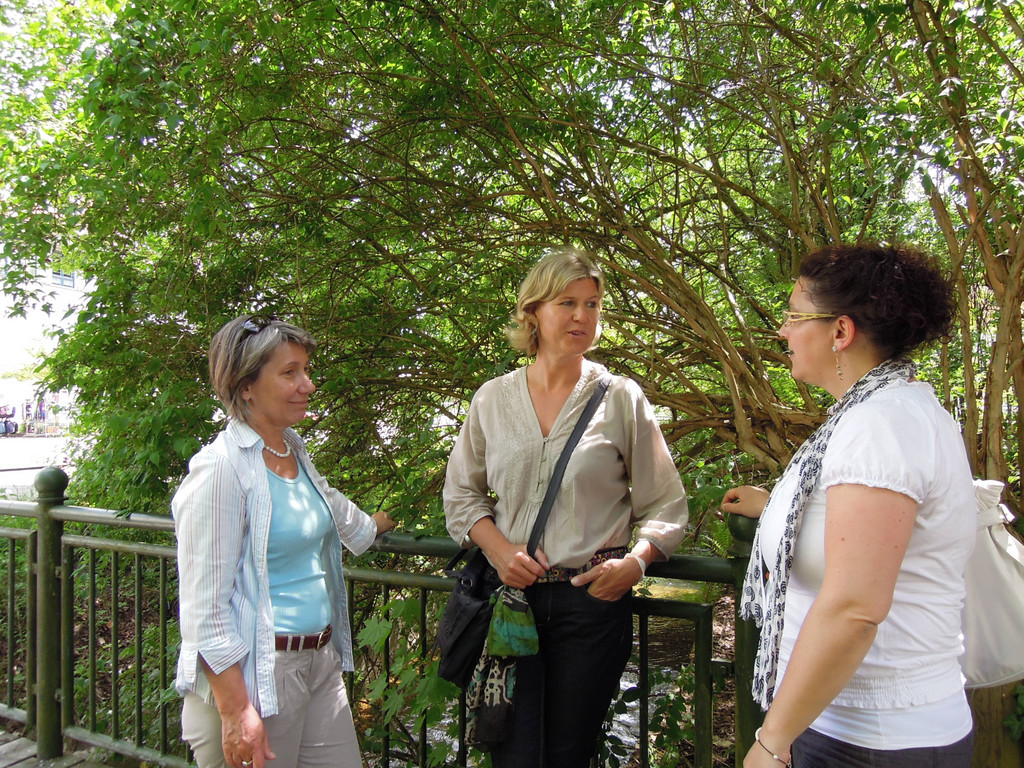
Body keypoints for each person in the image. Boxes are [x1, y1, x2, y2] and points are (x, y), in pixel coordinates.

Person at [722, 244, 975, 767]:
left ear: (840, 332)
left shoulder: (880, 424)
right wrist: (775, 507)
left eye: (794, 317)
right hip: (856, 730)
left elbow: (854, 608)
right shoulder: (888, 409)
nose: (783, 332)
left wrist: (771, 740)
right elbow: (858, 527)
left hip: (872, 739)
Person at [444, 248, 690, 768]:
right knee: (510, 748)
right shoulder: (491, 399)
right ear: (533, 311)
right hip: (512, 600)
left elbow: (665, 502)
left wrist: (637, 563)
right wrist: (499, 550)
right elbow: (461, 495)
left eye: (593, 304)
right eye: (567, 303)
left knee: (567, 753)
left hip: (591, 604)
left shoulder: (620, 397)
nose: (583, 316)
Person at [172, 315, 395, 768]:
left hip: (319, 664)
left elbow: (335, 511)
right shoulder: (221, 470)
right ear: (246, 386)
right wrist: (236, 711)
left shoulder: (292, 449)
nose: (308, 385)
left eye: (306, 371)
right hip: (257, 677)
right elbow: (204, 612)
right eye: (290, 372)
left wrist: (384, 521)